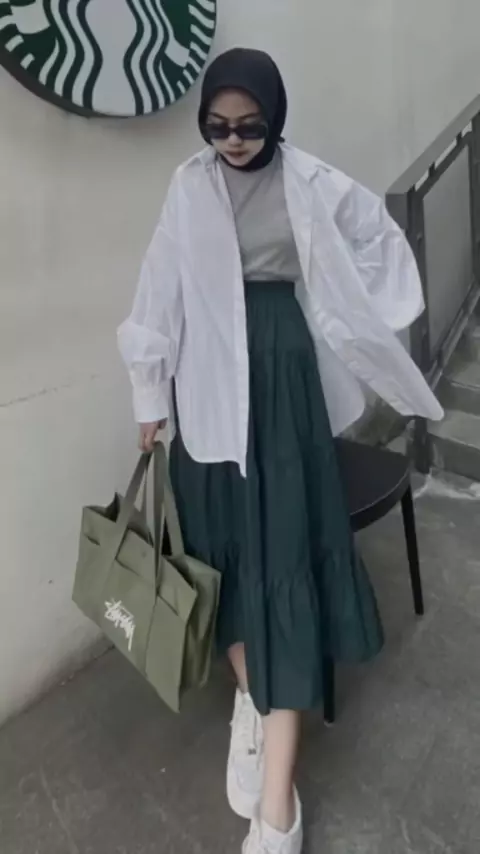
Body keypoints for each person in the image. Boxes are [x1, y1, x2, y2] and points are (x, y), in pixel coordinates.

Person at [118, 47, 443, 854]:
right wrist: (149, 397)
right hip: (206, 389)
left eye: (249, 126)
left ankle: (277, 812)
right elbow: (159, 287)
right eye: (217, 125)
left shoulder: (309, 181)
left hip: (283, 375)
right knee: (225, 556)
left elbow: (377, 238)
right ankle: (256, 703)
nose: (233, 140)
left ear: (275, 119)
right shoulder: (189, 186)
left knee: (285, 557)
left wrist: (360, 311)